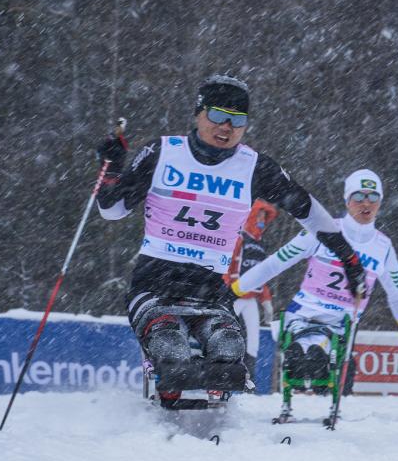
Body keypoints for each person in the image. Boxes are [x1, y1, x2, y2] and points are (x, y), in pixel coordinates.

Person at [96, 74, 366, 403]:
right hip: (154, 281)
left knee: (228, 351)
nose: (226, 128)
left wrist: (349, 259)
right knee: (170, 346)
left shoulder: (254, 167)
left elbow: (311, 212)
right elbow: (112, 210)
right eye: (217, 116)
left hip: (209, 288)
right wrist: (112, 167)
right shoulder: (163, 152)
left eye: (237, 121)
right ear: (198, 114)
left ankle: (218, 418)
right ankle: (164, 407)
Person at [235, 168, 398, 394]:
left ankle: (314, 364)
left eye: (373, 197)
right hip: (304, 316)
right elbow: (275, 263)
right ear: (347, 200)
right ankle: (302, 361)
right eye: (359, 196)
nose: (366, 203)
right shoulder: (323, 230)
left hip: (341, 326)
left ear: (380, 202)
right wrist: (233, 291)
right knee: (308, 358)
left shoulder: (383, 247)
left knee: (330, 370)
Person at [223, 199, 278, 379]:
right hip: (234, 295)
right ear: (252, 215)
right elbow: (227, 266)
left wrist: (267, 301)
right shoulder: (240, 237)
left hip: (251, 298)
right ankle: (217, 374)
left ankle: (248, 380)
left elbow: (262, 274)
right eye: (259, 215)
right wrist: (224, 290)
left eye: (265, 216)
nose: (262, 219)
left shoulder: (261, 243)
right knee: (221, 332)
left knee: (253, 340)